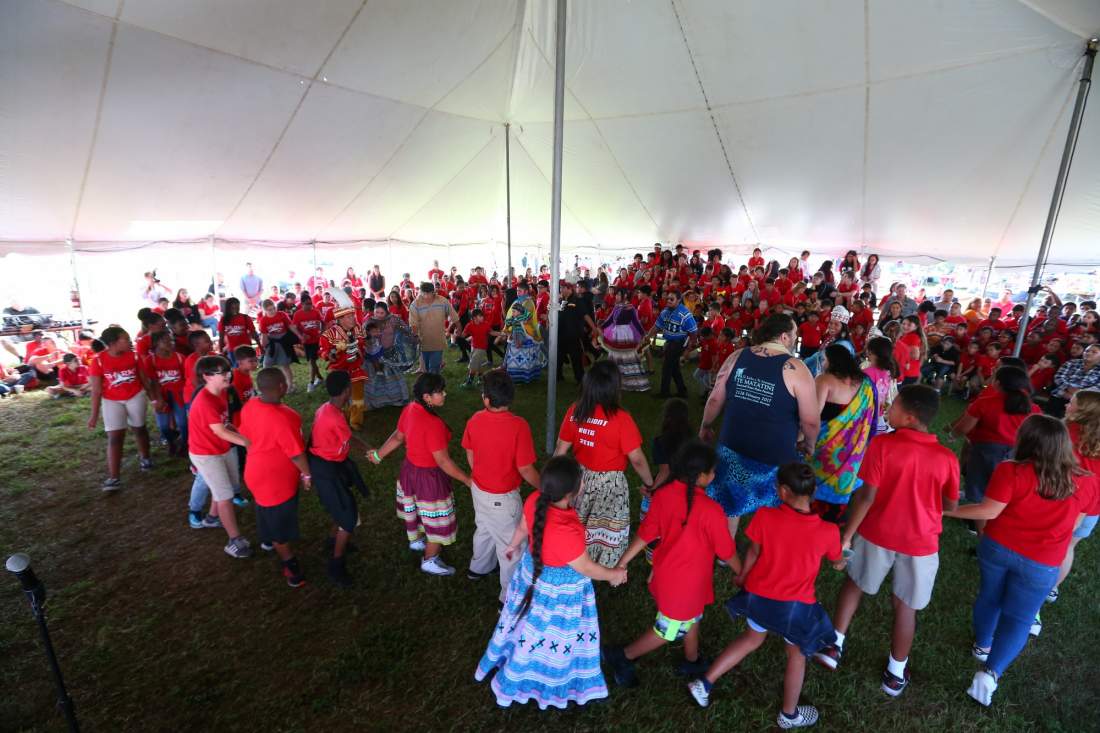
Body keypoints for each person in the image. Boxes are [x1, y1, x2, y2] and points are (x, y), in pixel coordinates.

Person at [816, 385, 959, 698]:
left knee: (855, 583)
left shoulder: (882, 445)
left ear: (908, 417)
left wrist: (848, 535)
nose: (887, 408)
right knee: (905, 606)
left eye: (892, 404)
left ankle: (833, 644)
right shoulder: (947, 458)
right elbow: (950, 506)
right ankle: (896, 671)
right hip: (921, 542)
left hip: (877, 532)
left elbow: (867, 496)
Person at [944, 415, 1096, 706]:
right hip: (1042, 562)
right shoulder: (1087, 483)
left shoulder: (1011, 470)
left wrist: (947, 512)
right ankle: (990, 673)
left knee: (990, 596)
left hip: (997, 548)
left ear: (1026, 440)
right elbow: (1075, 526)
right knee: (1020, 618)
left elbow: (987, 511)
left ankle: (982, 645)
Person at [687, 462, 841, 730]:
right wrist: (842, 559)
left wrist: (743, 577)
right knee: (796, 655)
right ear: (813, 491)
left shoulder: (765, 517)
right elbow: (837, 561)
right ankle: (789, 715)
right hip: (795, 608)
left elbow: (753, 553)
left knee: (751, 638)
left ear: (782, 491)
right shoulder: (828, 532)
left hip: (759, 598)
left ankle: (704, 683)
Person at [474, 456, 627, 709]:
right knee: (550, 635)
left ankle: (514, 655)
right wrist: (614, 574)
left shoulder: (535, 500)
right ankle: (541, 676)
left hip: (530, 573)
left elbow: (523, 527)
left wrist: (513, 546)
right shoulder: (569, 529)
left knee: (526, 625)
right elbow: (586, 567)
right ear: (574, 491)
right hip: (558, 592)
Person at [604, 441, 738, 686]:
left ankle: (692, 659)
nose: (714, 475)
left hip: (669, 575)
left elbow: (646, 533)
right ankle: (622, 656)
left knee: (692, 617)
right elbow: (727, 551)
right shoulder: (711, 511)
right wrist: (743, 574)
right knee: (671, 629)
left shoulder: (664, 494)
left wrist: (623, 562)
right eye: (712, 471)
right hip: (685, 585)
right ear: (700, 476)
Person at [700, 313, 819, 539]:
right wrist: (810, 444)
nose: (795, 339)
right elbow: (810, 421)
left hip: (733, 444)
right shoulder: (796, 368)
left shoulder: (737, 356)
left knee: (729, 502)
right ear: (784, 336)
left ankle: (726, 551)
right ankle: (764, 549)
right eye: (794, 335)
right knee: (773, 507)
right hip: (775, 455)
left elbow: (715, 398)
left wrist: (705, 425)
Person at [554, 361, 655, 566]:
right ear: (614, 388)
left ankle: (577, 559)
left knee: (580, 522)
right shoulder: (621, 419)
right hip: (611, 484)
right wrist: (650, 483)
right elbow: (636, 459)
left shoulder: (576, 410)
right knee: (607, 525)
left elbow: (560, 450)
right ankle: (606, 565)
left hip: (579, 479)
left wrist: (555, 484)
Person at [370, 373, 472, 576]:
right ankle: (429, 559)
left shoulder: (410, 409)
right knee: (437, 520)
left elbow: (398, 436)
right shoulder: (433, 424)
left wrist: (378, 454)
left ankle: (416, 541)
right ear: (427, 397)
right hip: (429, 479)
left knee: (418, 510)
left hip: (410, 472)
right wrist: (468, 480)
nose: (444, 394)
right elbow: (443, 461)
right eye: (439, 392)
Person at [461, 369, 541, 602]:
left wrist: (479, 474)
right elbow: (526, 469)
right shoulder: (519, 426)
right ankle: (509, 596)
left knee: (484, 528)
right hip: (504, 498)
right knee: (511, 547)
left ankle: (479, 567)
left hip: (479, 490)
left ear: (486, 398)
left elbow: (469, 450)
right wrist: (545, 489)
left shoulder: (475, 419)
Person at [238, 368, 312, 588]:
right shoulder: (283, 417)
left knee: (265, 510)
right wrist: (307, 474)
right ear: (282, 387)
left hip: (255, 472)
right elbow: (297, 454)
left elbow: (244, 434)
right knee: (280, 523)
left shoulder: (250, 405)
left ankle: (267, 540)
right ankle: (289, 563)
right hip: (275, 481)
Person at [952, 367, 1040, 535]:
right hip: (1019, 454)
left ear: (997, 383)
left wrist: (953, 434)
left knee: (981, 494)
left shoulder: (986, 402)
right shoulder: (1033, 408)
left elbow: (964, 427)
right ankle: (997, 527)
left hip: (986, 452)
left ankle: (980, 531)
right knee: (1006, 493)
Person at [308, 370, 372, 587]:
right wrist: (369, 450)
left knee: (341, 504)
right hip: (327, 470)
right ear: (346, 391)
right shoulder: (333, 416)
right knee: (349, 517)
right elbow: (350, 438)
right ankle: (336, 564)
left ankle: (332, 540)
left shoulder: (327, 408)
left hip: (330, 465)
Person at [187, 355, 253, 559]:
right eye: (222, 373)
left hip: (222, 448)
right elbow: (221, 432)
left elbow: (224, 426)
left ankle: (211, 518)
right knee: (225, 496)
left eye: (228, 370)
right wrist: (249, 443)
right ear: (206, 376)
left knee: (226, 487)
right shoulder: (205, 400)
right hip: (206, 454)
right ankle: (234, 540)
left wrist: (237, 432)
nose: (228, 375)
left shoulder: (222, 392)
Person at [810, 343, 878, 523]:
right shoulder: (866, 383)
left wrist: (802, 441)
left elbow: (812, 419)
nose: (823, 363)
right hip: (852, 455)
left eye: (824, 360)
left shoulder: (824, 380)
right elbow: (871, 419)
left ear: (833, 362)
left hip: (823, 452)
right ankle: (832, 533)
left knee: (812, 492)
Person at [87, 326, 155, 490]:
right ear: (113, 343)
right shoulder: (98, 361)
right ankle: (114, 477)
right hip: (111, 400)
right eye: (125, 338)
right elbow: (96, 390)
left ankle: (145, 458)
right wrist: (94, 415)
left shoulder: (135, 356)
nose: (129, 341)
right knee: (115, 437)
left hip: (135, 395)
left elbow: (144, 379)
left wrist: (154, 399)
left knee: (139, 428)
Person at [1050, 390, 1100, 601]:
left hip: (1061, 499)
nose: (1066, 405)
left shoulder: (1065, 431)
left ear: (1083, 411)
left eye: (1072, 403)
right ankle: (1052, 588)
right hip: (1093, 506)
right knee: (1068, 546)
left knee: (1050, 546)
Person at [320, 304, 368, 430]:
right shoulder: (329, 334)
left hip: (355, 368)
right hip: (338, 370)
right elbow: (323, 351)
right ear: (340, 319)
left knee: (358, 396)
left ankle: (355, 421)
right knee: (340, 397)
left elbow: (363, 344)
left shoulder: (358, 329)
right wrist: (330, 354)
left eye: (353, 315)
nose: (353, 318)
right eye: (349, 316)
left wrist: (358, 344)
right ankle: (339, 418)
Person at [142, 330, 187, 456]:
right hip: (160, 395)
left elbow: (185, 378)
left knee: (183, 423)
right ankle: (172, 442)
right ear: (156, 343)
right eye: (165, 341)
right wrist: (156, 400)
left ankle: (184, 445)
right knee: (163, 426)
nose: (170, 343)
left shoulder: (179, 357)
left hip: (178, 393)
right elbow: (151, 383)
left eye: (171, 340)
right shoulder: (150, 361)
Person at [363, 302, 415, 408]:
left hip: (390, 354)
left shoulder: (393, 319)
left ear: (386, 312)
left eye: (381, 313)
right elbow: (362, 336)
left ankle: (396, 398)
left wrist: (413, 337)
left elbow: (405, 329)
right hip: (374, 357)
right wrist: (369, 338)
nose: (379, 315)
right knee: (376, 377)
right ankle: (377, 400)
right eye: (376, 312)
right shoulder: (369, 321)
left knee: (393, 377)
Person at [647, 291, 698, 398]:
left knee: (667, 367)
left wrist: (690, 347)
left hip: (678, 343)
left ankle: (664, 393)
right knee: (674, 368)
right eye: (668, 299)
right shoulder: (665, 311)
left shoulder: (684, 314)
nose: (668, 301)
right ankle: (682, 391)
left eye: (672, 299)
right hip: (670, 342)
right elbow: (657, 326)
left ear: (679, 300)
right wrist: (648, 336)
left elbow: (693, 331)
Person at [596, 288, 648, 392]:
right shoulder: (617, 306)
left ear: (625, 296)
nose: (616, 296)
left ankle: (630, 381)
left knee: (627, 357)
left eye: (619, 295)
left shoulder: (630, 308)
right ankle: (616, 380)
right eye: (616, 295)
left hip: (625, 334)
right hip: (617, 334)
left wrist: (643, 334)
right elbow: (610, 320)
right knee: (616, 357)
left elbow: (636, 322)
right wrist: (601, 326)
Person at [408, 282, 459, 375]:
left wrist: (459, 327)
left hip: (438, 340)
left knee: (434, 369)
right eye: (424, 293)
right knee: (427, 369)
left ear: (434, 292)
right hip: (423, 341)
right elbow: (413, 323)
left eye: (429, 293)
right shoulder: (415, 305)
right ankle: (432, 386)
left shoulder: (442, 301)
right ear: (420, 292)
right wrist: (415, 336)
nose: (426, 296)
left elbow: (453, 315)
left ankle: (435, 387)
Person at [1048, 343, 1100, 417]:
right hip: (1062, 394)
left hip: (1084, 400)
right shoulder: (1071, 362)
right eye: (1087, 351)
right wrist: (1067, 388)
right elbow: (1059, 377)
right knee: (1052, 414)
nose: (1088, 353)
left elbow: (1097, 388)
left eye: (1094, 352)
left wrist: (1078, 393)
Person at [291, 294, 324, 391]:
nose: (310, 306)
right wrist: (300, 335)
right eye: (307, 304)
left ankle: (311, 382)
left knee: (312, 361)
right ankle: (320, 378)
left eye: (311, 303)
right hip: (306, 341)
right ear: (302, 304)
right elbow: (294, 327)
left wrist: (322, 332)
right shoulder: (298, 314)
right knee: (311, 360)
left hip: (315, 340)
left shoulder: (316, 312)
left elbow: (323, 322)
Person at [460, 309, 500, 389]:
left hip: (481, 348)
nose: (483, 317)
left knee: (473, 364)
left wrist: (501, 334)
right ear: (474, 318)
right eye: (480, 316)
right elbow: (463, 334)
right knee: (477, 364)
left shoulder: (485, 324)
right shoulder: (469, 325)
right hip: (473, 347)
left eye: (482, 316)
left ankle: (469, 382)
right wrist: (459, 334)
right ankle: (481, 379)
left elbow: (491, 332)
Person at [219, 298, 257, 368]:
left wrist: (260, 346)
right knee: (235, 369)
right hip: (232, 350)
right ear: (228, 308)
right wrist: (221, 351)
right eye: (233, 308)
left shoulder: (245, 318)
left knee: (246, 369)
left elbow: (253, 333)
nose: (235, 309)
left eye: (237, 307)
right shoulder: (224, 319)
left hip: (245, 348)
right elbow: (221, 337)